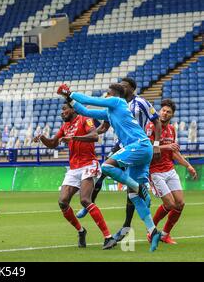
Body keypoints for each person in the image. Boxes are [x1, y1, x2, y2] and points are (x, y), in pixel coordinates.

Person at [58, 83, 162, 252]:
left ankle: (138, 186)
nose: (106, 95)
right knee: (134, 196)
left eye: (108, 93)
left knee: (106, 166)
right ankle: (153, 231)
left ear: (115, 94)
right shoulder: (110, 111)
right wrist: (68, 98)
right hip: (140, 150)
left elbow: (90, 100)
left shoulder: (118, 102)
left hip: (139, 145)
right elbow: (85, 111)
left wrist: (70, 92)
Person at [34, 102, 116, 249]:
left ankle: (108, 237)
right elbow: (53, 143)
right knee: (62, 202)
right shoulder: (65, 127)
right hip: (74, 168)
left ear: (73, 109)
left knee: (85, 200)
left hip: (89, 164)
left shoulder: (85, 119)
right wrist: (42, 138)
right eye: (61, 110)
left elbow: (94, 135)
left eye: (64, 109)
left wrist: (74, 138)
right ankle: (81, 231)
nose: (62, 112)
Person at [146, 99, 198, 244]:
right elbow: (147, 147)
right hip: (155, 171)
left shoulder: (172, 129)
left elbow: (174, 152)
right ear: (159, 111)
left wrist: (188, 166)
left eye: (168, 112)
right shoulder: (151, 126)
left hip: (169, 169)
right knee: (170, 204)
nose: (165, 113)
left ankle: (165, 234)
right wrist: (167, 147)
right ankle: (151, 231)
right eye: (163, 110)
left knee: (180, 204)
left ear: (172, 115)